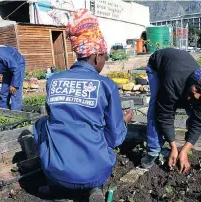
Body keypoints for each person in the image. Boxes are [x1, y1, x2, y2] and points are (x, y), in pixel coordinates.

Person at [32, 9, 134, 202]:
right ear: (97, 56)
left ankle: (55, 187)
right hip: (95, 172)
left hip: (57, 170)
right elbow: (114, 137)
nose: (104, 61)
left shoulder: (53, 81)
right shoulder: (106, 85)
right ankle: (94, 189)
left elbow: (57, 116)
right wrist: (124, 121)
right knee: (107, 129)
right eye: (104, 57)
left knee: (42, 124)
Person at [140, 48, 201, 174]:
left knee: (199, 114)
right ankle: (153, 150)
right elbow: (165, 114)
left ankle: (196, 144)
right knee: (155, 108)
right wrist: (173, 147)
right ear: (194, 80)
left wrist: (185, 149)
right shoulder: (173, 81)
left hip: (180, 66)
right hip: (158, 66)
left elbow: (199, 119)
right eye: (197, 89)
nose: (197, 95)